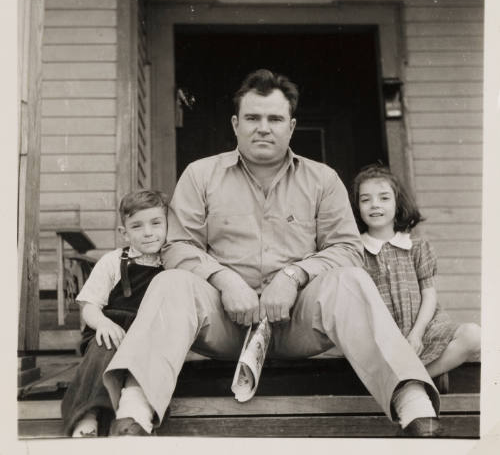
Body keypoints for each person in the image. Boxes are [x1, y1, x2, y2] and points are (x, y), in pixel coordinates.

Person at [103, 69, 441, 437]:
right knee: (171, 283)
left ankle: (413, 407)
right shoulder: (200, 175)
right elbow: (176, 246)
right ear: (235, 123)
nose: (263, 127)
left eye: (275, 119)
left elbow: (347, 248)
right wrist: (224, 279)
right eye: (252, 118)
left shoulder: (322, 179)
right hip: (224, 321)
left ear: (291, 126)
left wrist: (294, 276)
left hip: (298, 322)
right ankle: (134, 413)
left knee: (350, 278)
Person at [351, 164, 481, 379]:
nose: (375, 205)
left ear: (397, 203)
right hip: (381, 337)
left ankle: (414, 379)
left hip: (423, 328)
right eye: (366, 199)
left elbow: (429, 294)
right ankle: (418, 379)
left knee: (474, 335)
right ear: (357, 206)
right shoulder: (355, 251)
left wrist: (417, 334)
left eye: (384, 198)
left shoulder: (417, 247)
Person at [61, 189, 168, 437]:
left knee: (150, 358)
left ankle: (132, 418)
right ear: (124, 232)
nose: (148, 232)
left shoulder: (171, 260)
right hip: (113, 328)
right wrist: (102, 324)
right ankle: (86, 416)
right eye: (137, 226)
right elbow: (89, 305)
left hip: (149, 333)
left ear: (167, 224)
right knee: (103, 348)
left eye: (156, 223)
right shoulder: (113, 261)